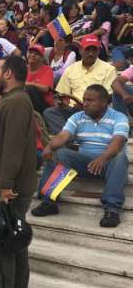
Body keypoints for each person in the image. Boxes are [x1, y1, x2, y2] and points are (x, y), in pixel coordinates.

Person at [0, 56, 37, 288]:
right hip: (0, 184)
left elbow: (13, 148)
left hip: (2, 188)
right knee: (13, 242)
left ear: (9, 74)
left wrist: (5, 186)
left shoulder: (15, 103)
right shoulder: (12, 101)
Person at [32, 84, 128, 228]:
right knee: (60, 153)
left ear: (104, 102)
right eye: (84, 99)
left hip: (109, 164)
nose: (85, 103)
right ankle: (48, 201)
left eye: (91, 100)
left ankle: (112, 210)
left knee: (120, 157)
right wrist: (49, 147)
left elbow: (118, 141)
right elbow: (63, 136)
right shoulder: (78, 116)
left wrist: (102, 158)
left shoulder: (118, 117)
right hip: (85, 164)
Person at [43, 35, 117, 135]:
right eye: (87, 50)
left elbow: (108, 97)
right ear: (80, 50)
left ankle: (71, 136)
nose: (91, 53)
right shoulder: (71, 69)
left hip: (96, 109)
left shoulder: (109, 69)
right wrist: (62, 102)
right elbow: (61, 94)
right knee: (50, 112)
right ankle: (71, 137)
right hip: (74, 109)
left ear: (98, 51)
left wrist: (88, 105)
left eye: (94, 50)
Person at [25, 44, 54, 114]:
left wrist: (25, 83)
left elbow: (45, 88)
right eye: (31, 52)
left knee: (30, 89)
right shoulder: (23, 68)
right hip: (25, 101)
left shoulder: (47, 69)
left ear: (42, 58)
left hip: (44, 104)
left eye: (37, 54)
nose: (33, 55)